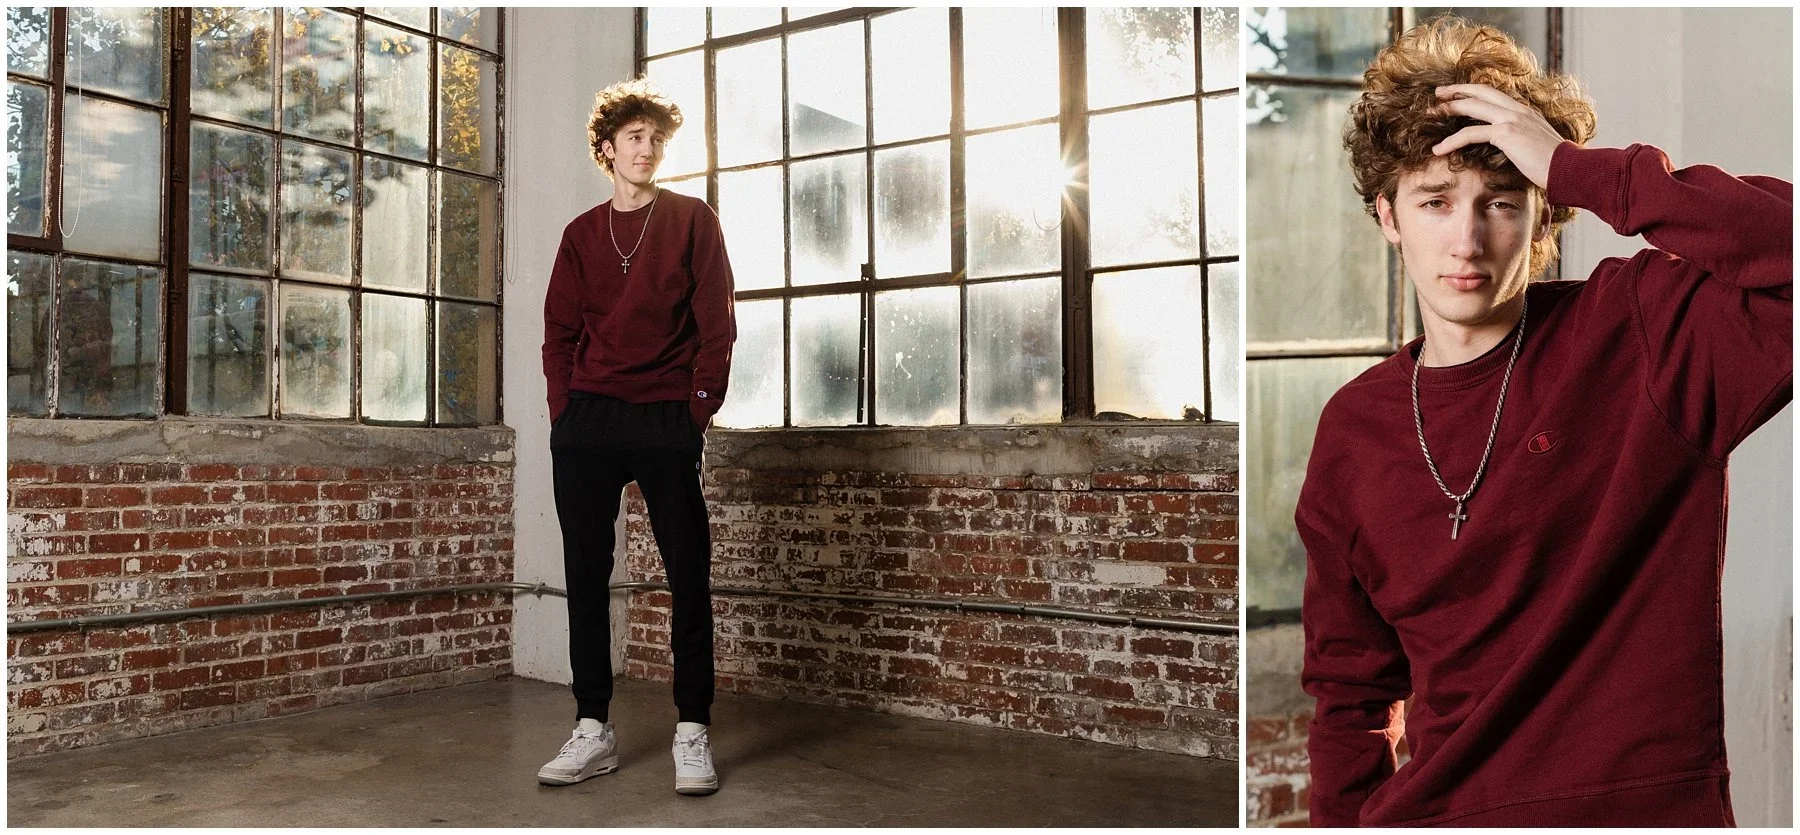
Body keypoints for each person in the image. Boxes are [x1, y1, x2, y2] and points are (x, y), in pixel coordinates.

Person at [1297, 17, 1791, 827]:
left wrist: (1582, 168)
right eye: (1435, 200)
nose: (1467, 237)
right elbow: (1349, 695)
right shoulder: (1354, 428)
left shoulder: (1642, 333)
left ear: (1544, 216)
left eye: (1502, 200)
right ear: (1388, 215)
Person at [537, 77, 736, 796]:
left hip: (662, 414)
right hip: (589, 416)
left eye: (655, 138)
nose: (646, 148)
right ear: (607, 150)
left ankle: (692, 728)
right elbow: (559, 331)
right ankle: (593, 726)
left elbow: (717, 325)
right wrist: (564, 411)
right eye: (633, 138)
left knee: (688, 572)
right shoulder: (581, 235)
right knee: (587, 575)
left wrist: (694, 412)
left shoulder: (691, 220)